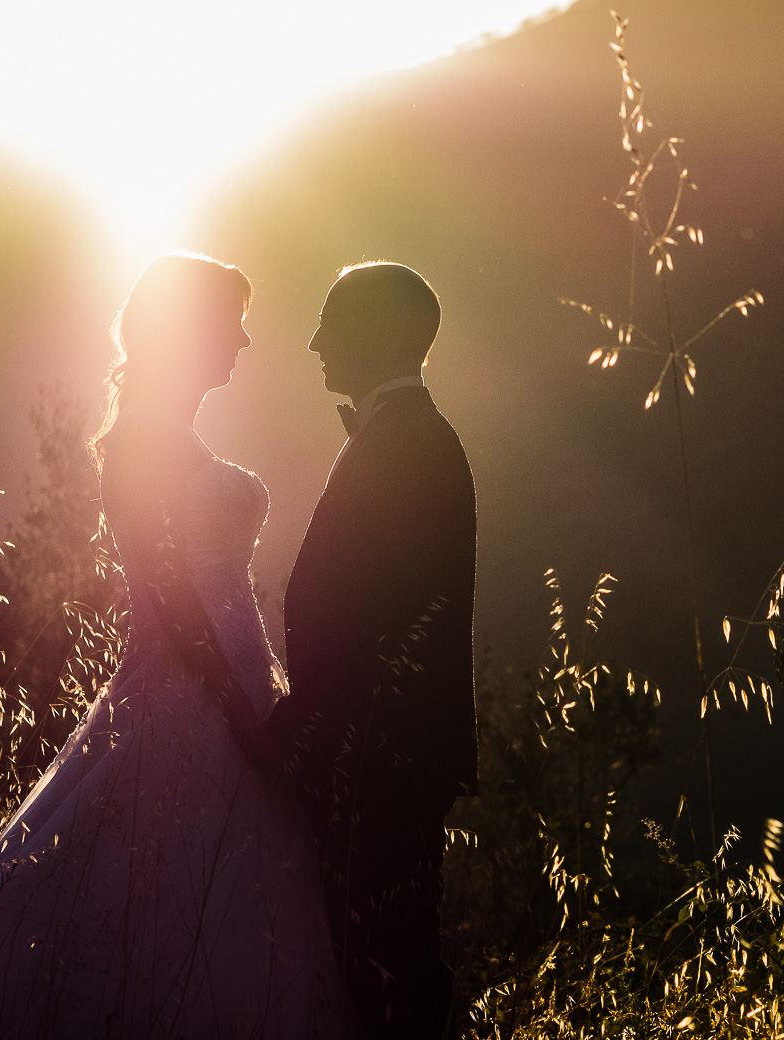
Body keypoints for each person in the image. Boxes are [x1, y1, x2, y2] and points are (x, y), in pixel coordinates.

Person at [0, 252, 359, 1040]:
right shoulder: (140, 442)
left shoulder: (172, 438)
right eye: (230, 319)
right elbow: (171, 597)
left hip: (233, 690)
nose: (242, 338)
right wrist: (240, 713)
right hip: (188, 700)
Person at [268, 260, 478, 1040]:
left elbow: (386, 617)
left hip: (380, 756)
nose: (316, 340)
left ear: (381, 333)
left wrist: (316, 733)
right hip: (369, 751)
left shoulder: (413, 445)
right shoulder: (405, 437)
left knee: (390, 967)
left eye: (332, 320)